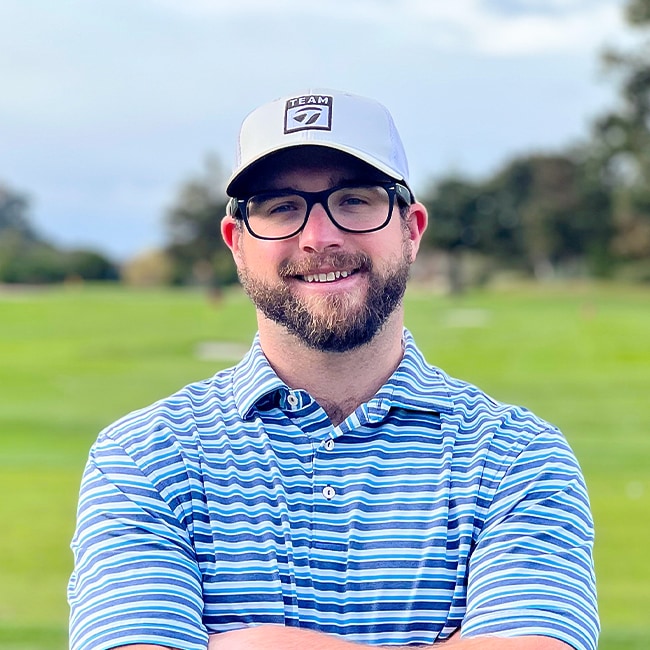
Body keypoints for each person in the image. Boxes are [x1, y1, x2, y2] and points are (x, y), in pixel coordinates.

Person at [68, 89, 599, 650]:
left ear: (411, 230)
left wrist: (251, 646)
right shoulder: (144, 455)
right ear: (237, 244)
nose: (319, 237)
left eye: (353, 201)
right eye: (280, 207)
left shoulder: (518, 456)